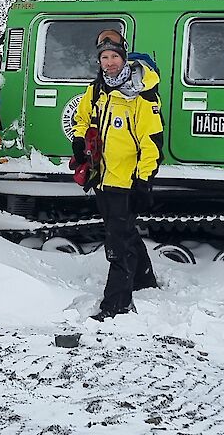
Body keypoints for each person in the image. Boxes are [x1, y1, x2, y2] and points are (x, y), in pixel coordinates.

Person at [71, 32, 163, 320]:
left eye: (114, 56)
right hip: (102, 176)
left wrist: (144, 180)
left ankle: (116, 304)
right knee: (122, 232)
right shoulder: (97, 90)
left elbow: (152, 141)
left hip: (126, 181)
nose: (109, 62)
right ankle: (144, 279)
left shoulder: (141, 95)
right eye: (104, 57)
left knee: (117, 243)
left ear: (124, 57)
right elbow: (82, 117)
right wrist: (78, 138)